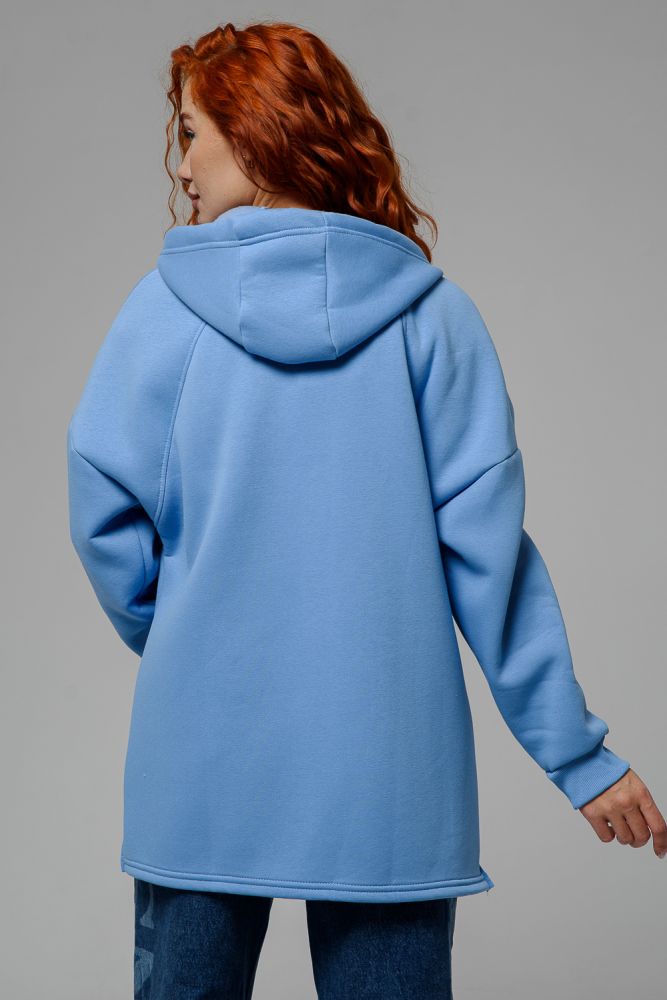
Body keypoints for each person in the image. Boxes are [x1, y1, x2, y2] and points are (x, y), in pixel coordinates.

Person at [66, 19, 666, 1000]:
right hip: (390, 772)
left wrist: (185, 634)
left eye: (190, 133)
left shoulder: (160, 314)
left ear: (253, 132)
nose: (180, 166)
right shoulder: (433, 319)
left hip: (201, 760)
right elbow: (491, 563)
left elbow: (104, 517)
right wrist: (578, 757)